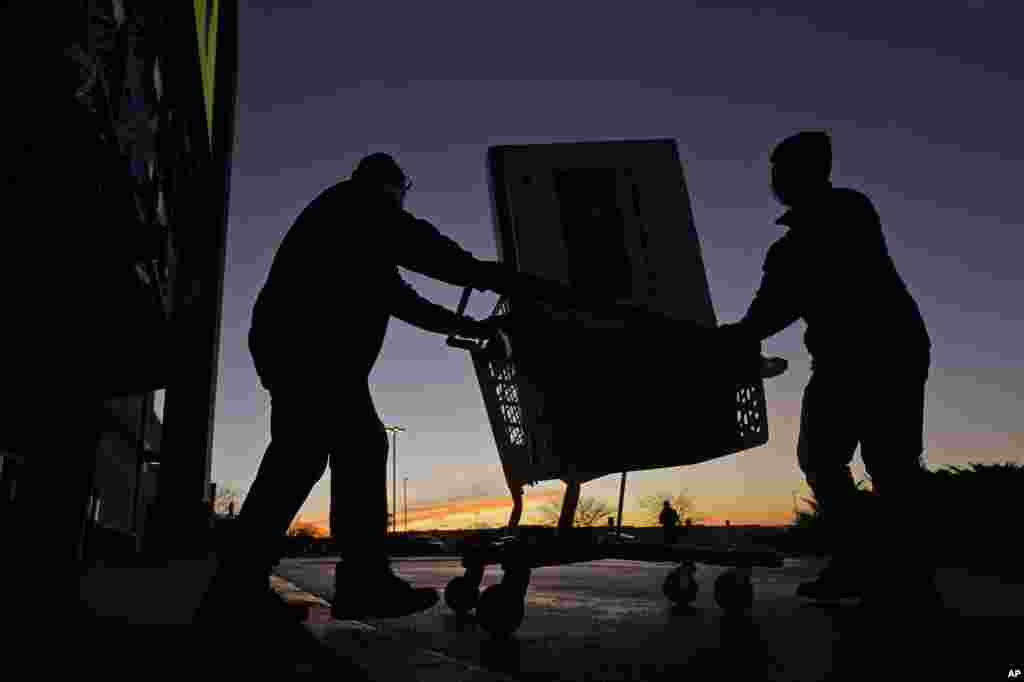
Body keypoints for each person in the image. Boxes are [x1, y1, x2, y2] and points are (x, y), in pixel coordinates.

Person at [202, 154, 522, 621]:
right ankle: (360, 581)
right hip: (310, 349)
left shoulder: (353, 235)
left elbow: (401, 299)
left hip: (297, 349)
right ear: (389, 186)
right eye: (399, 194)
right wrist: (478, 272)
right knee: (358, 446)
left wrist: (464, 323)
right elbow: (418, 245)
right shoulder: (355, 205)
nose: (399, 203)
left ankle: (238, 585)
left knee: (299, 458)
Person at [720, 131, 938, 607]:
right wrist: (743, 331)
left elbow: (781, 299)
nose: (777, 180)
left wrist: (741, 333)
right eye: (776, 172)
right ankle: (871, 566)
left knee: (884, 462)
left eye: (784, 170)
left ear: (814, 170)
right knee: (833, 458)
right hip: (856, 355)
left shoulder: (846, 213)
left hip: (881, 352)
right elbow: (775, 302)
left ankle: (897, 572)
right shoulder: (804, 237)